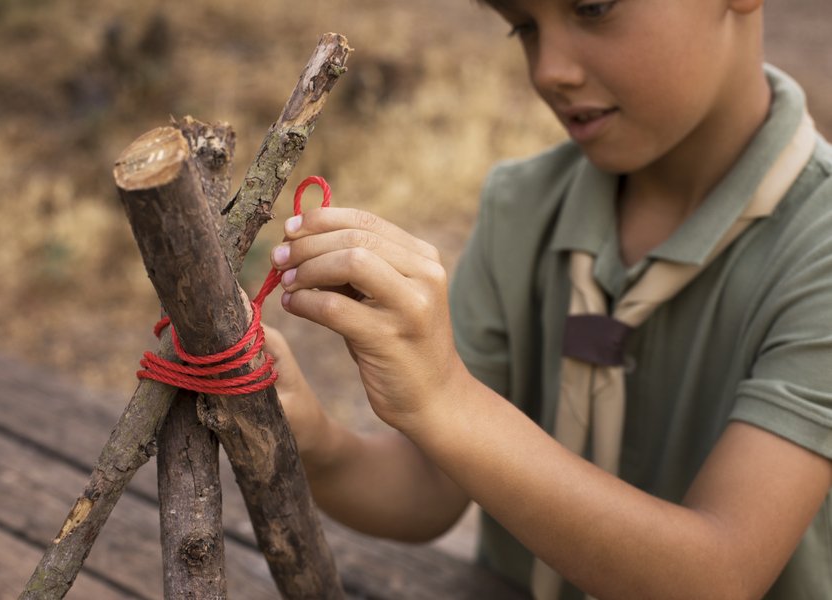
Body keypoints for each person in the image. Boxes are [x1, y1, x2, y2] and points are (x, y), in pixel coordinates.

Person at [263, 0, 832, 597]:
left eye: (593, 8)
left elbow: (717, 578)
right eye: (525, 27)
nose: (548, 71)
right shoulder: (522, 207)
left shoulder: (815, 247)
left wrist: (445, 395)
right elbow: (431, 486)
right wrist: (314, 440)